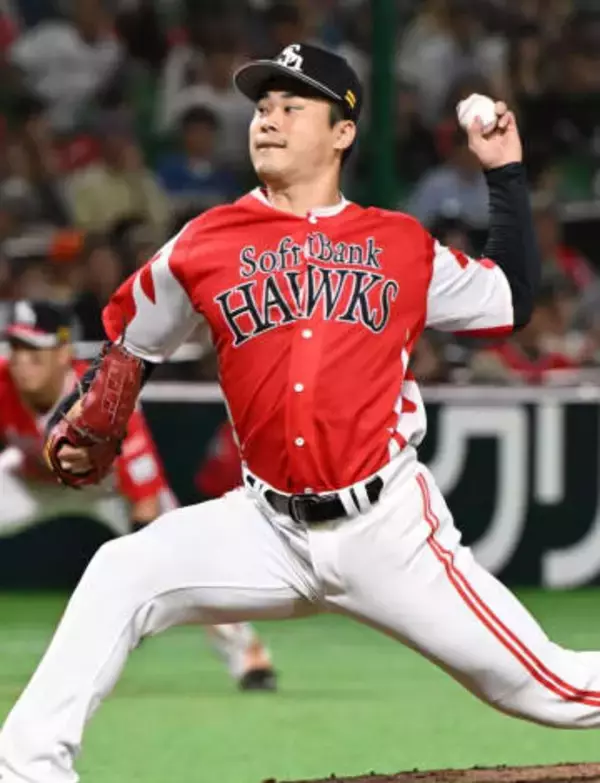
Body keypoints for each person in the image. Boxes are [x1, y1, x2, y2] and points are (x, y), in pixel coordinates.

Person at [4, 43, 600, 783]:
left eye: (292, 106)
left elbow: (508, 298)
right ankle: (27, 772)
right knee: (121, 570)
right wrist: (101, 402)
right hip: (266, 526)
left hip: (385, 529)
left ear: (343, 131)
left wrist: (504, 172)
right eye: (262, 106)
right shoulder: (203, 243)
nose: (268, 119)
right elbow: (131, 345)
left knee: (550, 689)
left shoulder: (399, 245)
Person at [0, 300, 276, 694]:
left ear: (63, 353)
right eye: (15, 349)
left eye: (34, 351)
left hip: (111, 490)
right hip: (33, 484)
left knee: (187, 556)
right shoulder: (4, 382)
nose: (21, 363)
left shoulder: (105, 401)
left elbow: (145, 501)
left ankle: (248, 657)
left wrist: (133, 588)